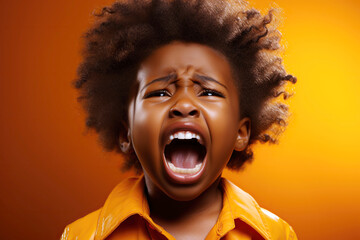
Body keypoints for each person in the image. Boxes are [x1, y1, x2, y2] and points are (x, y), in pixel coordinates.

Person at [61, 0, 297, 239]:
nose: (184, 105)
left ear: (241, 133)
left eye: (209, 92)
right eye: (160, 93)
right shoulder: (81, 235)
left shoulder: (276, 235)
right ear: (126, 133)